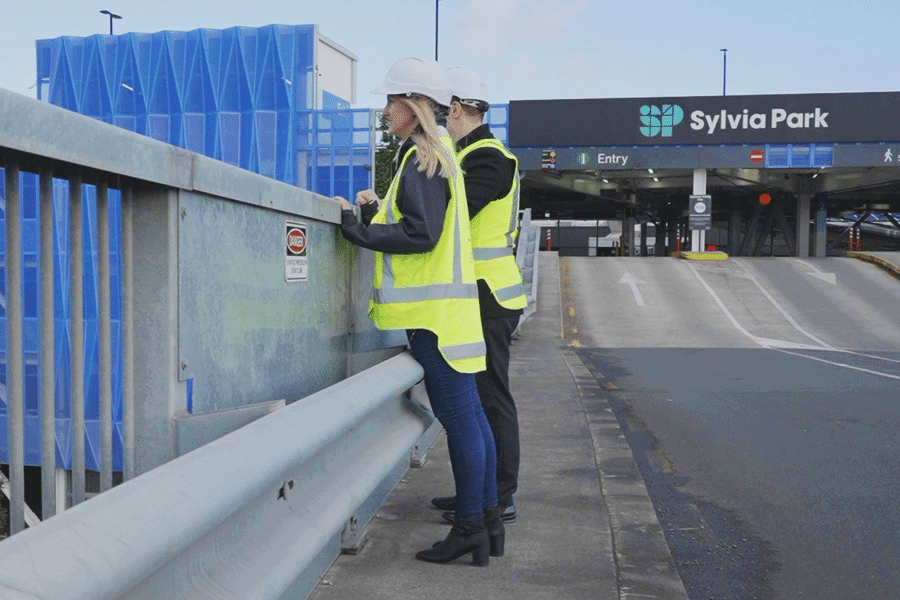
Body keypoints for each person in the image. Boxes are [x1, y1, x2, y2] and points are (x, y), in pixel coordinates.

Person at [335, 56, 503, 566]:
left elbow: (420, 233)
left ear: (412, 104)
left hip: (435, 318)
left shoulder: (422, 158)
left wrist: (356, 230)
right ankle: (488, 522)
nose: (384, 111)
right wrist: (372, 212)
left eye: (390, 101)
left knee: (461, 420)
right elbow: (418, 220)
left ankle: (472, 527)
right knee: (472, 416)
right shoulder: (440, 154)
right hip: (450, 315)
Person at [431, 66, 527, 526]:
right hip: (484, 296)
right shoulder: (474, 153)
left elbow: (451, 214)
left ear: (455, 108)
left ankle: (500, 495)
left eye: (441, 112)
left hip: (491, 297)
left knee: (490, 398)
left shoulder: (487, 158)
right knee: (477, 397)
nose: (440, 122)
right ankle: (479, 489)